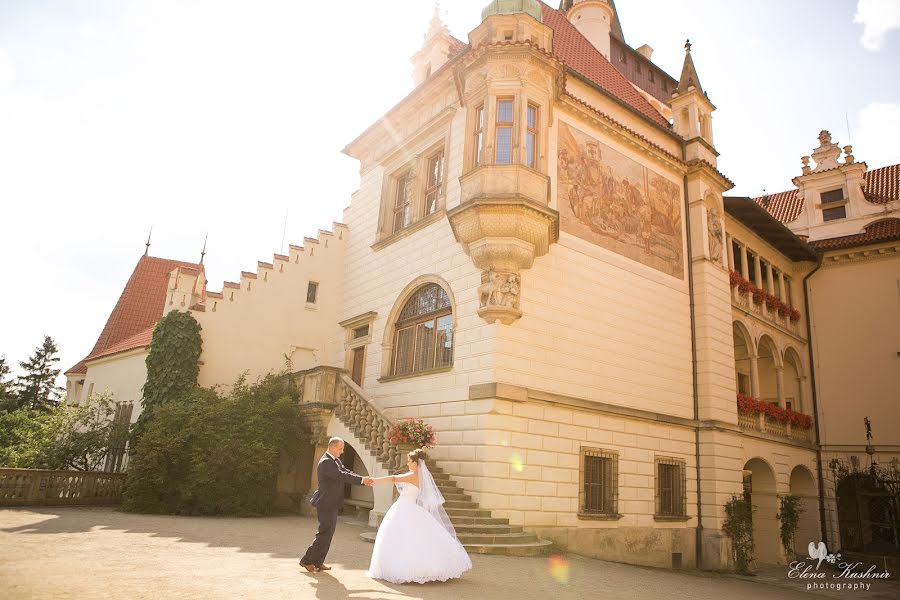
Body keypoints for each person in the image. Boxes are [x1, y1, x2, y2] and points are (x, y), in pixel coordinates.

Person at [366, 448, 472, 584]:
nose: (408, 463)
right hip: (408, 507)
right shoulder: (418, 476)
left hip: (404, 508)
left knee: (401, 537)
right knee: (410, 538)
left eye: (409, 461)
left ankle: (404, 569)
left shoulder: (412, 476)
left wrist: (374, 480)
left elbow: (393, 478)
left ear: (416, 463)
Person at [299, 437, 373, 573]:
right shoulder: (326, 462)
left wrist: (363, 479)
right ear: (332, 447)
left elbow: (346, 472)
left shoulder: (335, 460)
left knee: (328, 533)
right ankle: (306, 560)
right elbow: (341, 476)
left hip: (331, 503)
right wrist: (362, 480)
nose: (342, 451)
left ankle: (318, 562)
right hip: (326, 503)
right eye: (340, 448)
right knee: (324, 533)